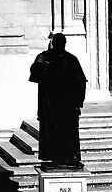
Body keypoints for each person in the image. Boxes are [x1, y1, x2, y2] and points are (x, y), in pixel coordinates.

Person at [28, 32, 89, 169]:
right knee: (54, 132)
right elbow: (34, 74)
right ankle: (56, 158)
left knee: (68, 132)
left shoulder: (71, 59)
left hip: (66, 104)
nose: (59, 45)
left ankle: (70, 158)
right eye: (57, 43)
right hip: (51, 103)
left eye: (60, 43)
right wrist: (42, 67)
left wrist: (78, 102)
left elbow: (81, 82)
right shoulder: (44, 57)